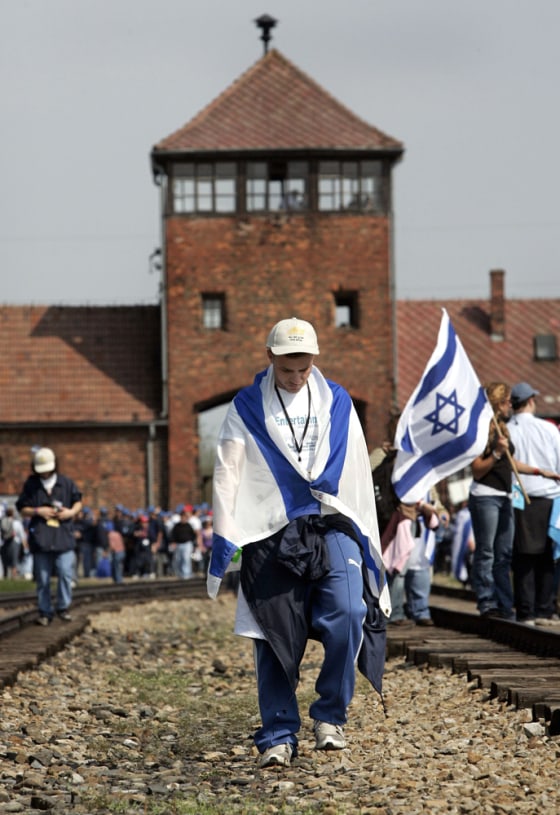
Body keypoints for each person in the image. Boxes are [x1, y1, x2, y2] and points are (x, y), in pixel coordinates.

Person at [207, 317, 390, 769]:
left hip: (332, 524)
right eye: (287, 369)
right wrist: (227, 529)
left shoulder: (338, 401)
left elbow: (354, 469)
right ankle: (278, 732)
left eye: (304, 369)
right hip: (271, 529)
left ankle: (330, 715)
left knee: (350, 612)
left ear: (314, 361)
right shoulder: (246, 406)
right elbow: (228, 467)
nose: (295, 378)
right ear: (270, 359)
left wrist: (364, 524)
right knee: (271, 632)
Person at [468, 382, 560, 620]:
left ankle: (508, 605)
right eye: (507, 400)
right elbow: (477, 469)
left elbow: (511, 463)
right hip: (489, 495)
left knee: (507, 554)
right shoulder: (483, 431)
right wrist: (497, 452)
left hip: (509, 496)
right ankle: (490, 602)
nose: (511, 404)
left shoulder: (504, 428)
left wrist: (540, 471)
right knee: (489, 552)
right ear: (499, 403)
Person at [507, 382, 560, 625]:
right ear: (530, 401)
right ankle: (545, 608)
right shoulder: (548, 429)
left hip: (520, 498)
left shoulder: (507, 430)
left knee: (523, 556)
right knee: (547, 555)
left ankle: (526, 611)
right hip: (550, 497)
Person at [15, 447, 82, 625]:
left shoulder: (66, 483)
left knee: (65, 573)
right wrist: (38, 511)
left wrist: (70, 513)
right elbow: (22, 508)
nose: (44, 473)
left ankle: (63, 607)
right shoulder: (31, 485)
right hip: (42, 539)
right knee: (43, 578)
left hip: (63, 537)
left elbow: (78, 501)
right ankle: (45, 611)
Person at [170, 505, 197, 579]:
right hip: (179, 544)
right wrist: (173, 542)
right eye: (182, 517)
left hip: (187, 544)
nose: (183, 518)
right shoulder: (177, 526)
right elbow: (173, 535)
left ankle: (187, 573)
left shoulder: (189, 526)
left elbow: (193, 535)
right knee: (179, 559)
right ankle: (180, 573)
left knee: (186, 559)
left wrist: (193, 543)